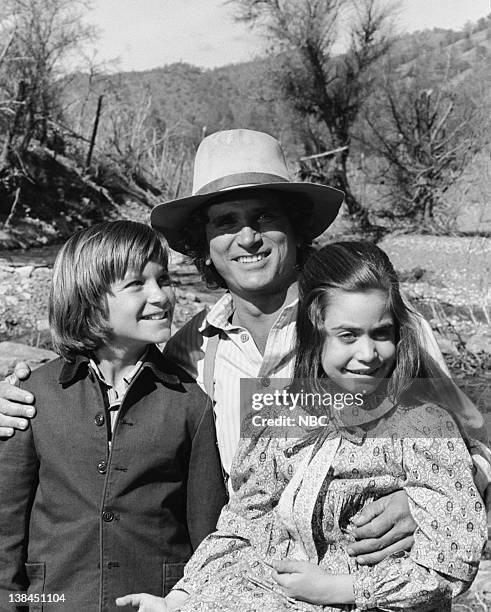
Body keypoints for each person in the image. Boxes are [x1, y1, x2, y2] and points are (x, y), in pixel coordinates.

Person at [0, 129, 488, 566]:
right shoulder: (188, 349)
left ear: (295, 228)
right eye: (225, 222)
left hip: (373, 583)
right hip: (254, 588)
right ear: (204, 243)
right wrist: (18, 398)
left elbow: (475, 452)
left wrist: (422, 504)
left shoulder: (384, 332)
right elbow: (106, 386)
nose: (248, 237)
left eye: (264, 216)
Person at [118, 242, 487, 612]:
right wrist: (180, 599)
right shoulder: (276, 416)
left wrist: (340, 588)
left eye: (381, 334)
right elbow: (242, 527)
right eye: (347, 336)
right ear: (314, 331)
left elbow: (449, 563)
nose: (368, 354)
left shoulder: (423, 425)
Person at [0, 221, 227, 611]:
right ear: (87, 298)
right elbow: (6, 528)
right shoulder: (32, 396)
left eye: (164, 278)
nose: (161, 296)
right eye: (137, 284)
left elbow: (206, 535)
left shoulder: (192, 403)